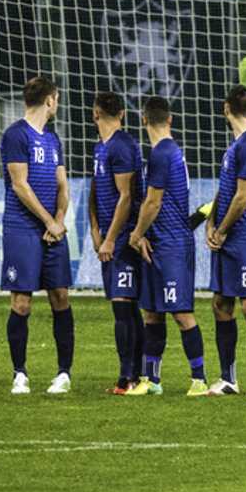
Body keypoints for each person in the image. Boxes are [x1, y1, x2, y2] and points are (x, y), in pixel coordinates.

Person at [126, 97, 209, 397]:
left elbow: (153, 201)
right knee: (152, 313)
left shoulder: (162, 153)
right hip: (159, 242)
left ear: (143, 120)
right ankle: (152, 380)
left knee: (181, 313)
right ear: (170, 119)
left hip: (172, 244)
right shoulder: (169, 151)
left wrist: (136, 234)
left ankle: (199, 380)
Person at [0, 75, 74, 395]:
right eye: (56, 98)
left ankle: (64, 373)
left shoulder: (53, 139)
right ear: (49, 100)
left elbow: (62, 184)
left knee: (61, 298)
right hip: (22, 230)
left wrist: (58, 220)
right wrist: (48, 221)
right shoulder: (15, 135)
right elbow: (20, 185)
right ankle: (20, 373)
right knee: (22, 302)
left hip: (51, 232)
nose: (56, 103)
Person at [204, 85, 246, 397]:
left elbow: (243, 197)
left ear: (225, 109)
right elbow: (227, 189)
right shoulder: (236, 146)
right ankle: (228, 378)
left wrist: (222, 230)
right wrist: (210, 220)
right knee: (221, 303)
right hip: (230, 235)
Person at [87, 91, 146, 394]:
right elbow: (96, 190)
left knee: (125, 307)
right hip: (110, 239)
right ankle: (133, 374)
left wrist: (110, 238)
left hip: (124, 241)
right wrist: (95, 229)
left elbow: (126, 197)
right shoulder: (101, 147)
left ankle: (130, 377)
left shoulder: (122, 146)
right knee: (124, 307)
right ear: (122, 113)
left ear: (95, 113)